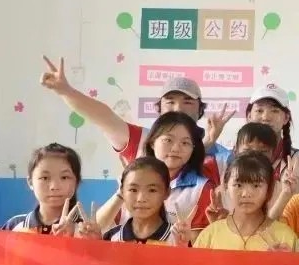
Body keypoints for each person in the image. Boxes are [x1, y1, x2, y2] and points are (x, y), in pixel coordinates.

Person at [40, 56, 233, 180]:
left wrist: (208, 142)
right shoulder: (142, 139)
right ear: (159, 108)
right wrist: (66, 91)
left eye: (188, 102)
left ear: (200, 110)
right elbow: (103, 116)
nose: (178, 108)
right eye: (170, 102)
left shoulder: (221, 155)